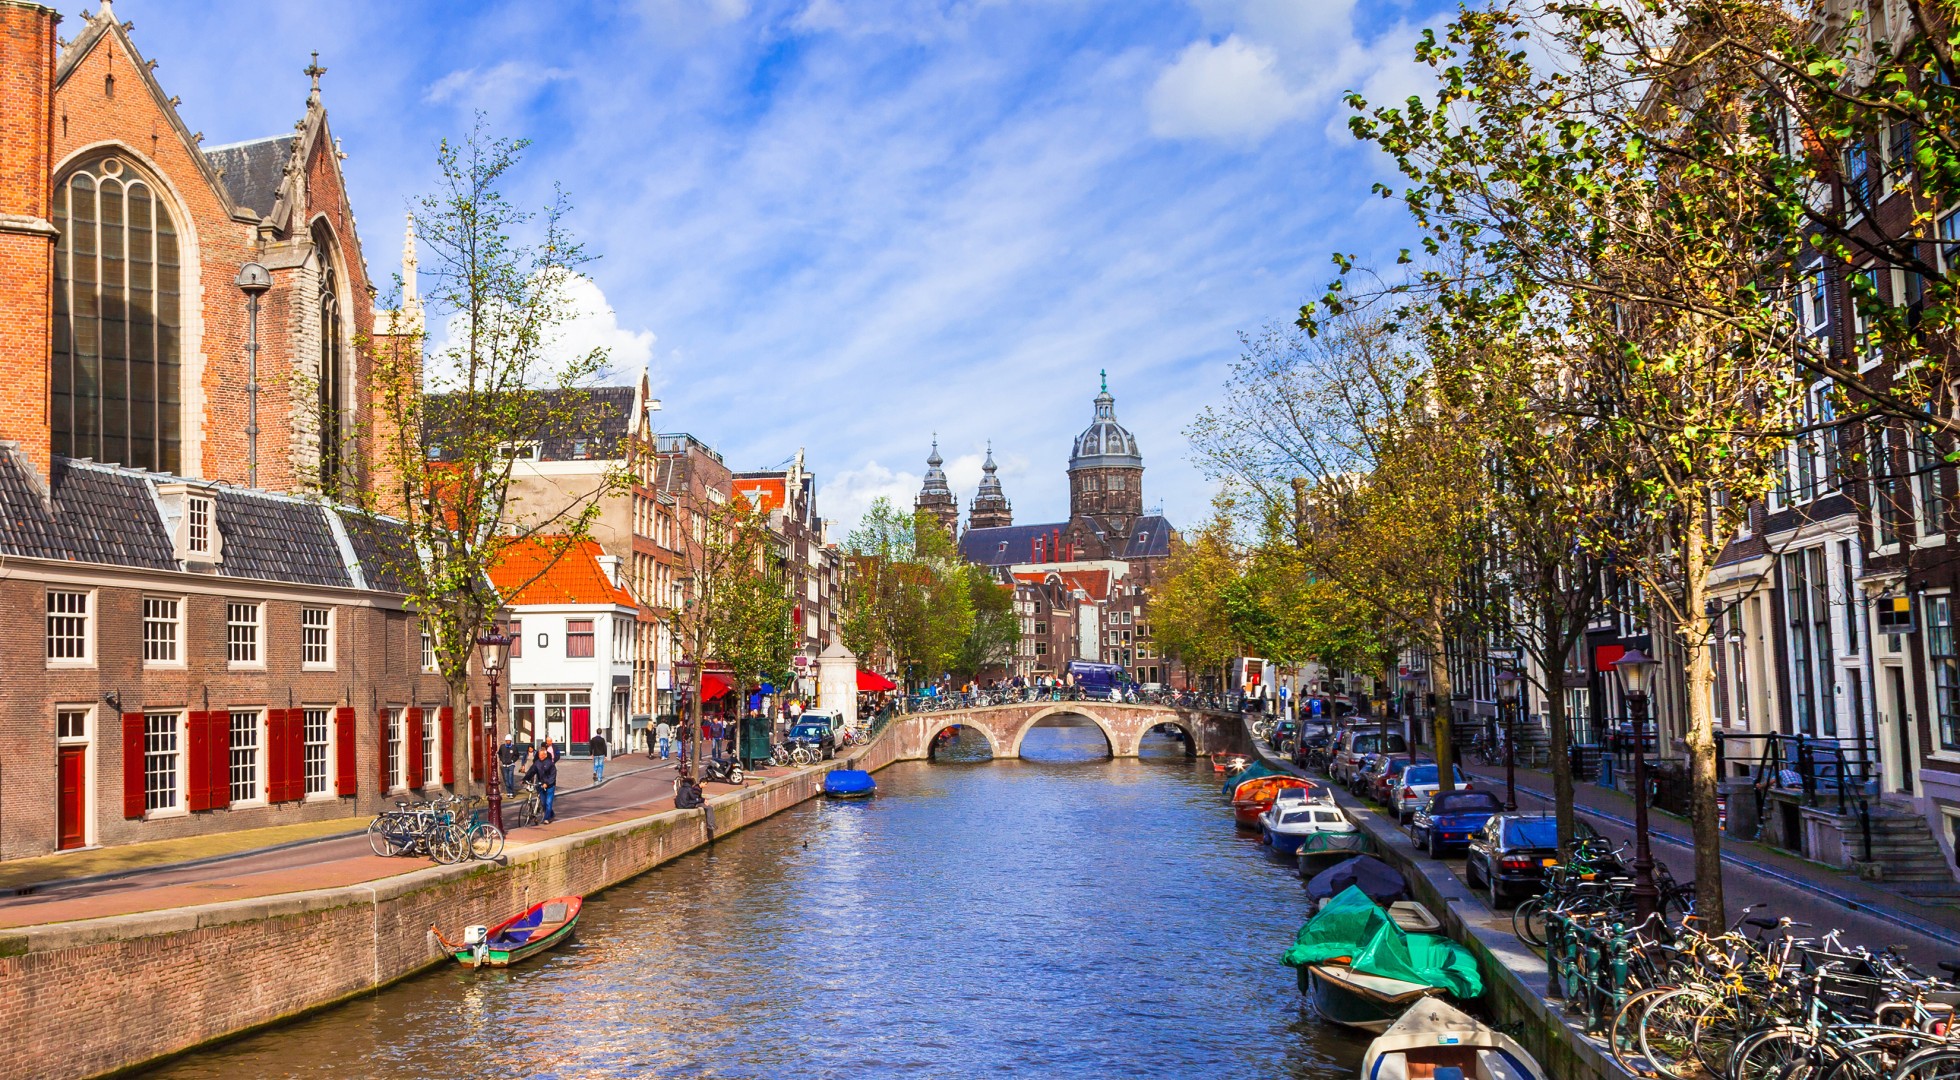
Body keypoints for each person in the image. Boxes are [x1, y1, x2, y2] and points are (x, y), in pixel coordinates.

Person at [521, 746, 559, 824]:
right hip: (540, 785)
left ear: (545, 755)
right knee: (543, 802)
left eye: (541, 755)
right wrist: (525, 779)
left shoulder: (550, 764)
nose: (540, 756)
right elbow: (531, 771)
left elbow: (553, 775)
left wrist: (547, 783)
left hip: (550, 786)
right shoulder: (537, 763)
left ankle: (547, 818)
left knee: (548, 802)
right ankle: (551, 814)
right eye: (539, 755)